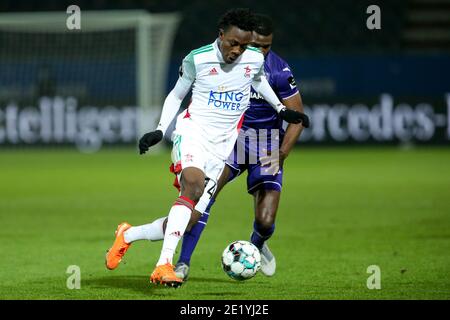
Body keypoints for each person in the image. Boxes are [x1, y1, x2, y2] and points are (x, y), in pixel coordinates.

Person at [105, 8, 308, 288]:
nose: (238, 51)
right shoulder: (197, 59)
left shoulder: (253, 58)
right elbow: (176, 94)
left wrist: (281, 110)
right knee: (192, 186)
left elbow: (259, 81)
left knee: (189, 219)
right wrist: (161, 129)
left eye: (244, 45)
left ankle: (127, 235)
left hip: (224, 146)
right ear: (221, 35)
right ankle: (165, 265)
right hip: (193, 133)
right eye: (233, 43)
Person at [174, 13, 309, 280]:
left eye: (266, 46)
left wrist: (281, 154)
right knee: (204, 198)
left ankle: (258, 244)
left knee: (266, 220)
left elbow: (298, 117)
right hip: (231, 140)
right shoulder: (229, 62)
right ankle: (183, 263)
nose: (260, 51)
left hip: (266, 145)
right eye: (255, 45)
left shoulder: (279, 71)